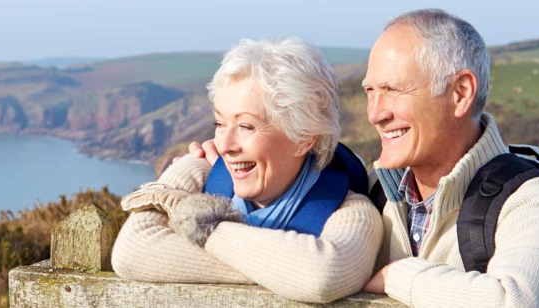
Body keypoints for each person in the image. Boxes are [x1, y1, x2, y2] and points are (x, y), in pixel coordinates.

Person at [111, 37, 383, 304]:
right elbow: (132, 252)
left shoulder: (351, 213)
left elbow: (322, 276)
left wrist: (203, 225)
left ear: (304, 138)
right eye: (220, 123)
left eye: (246, 126)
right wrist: (186, 167)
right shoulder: (203, 173)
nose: (225, 145)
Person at [358, 9, 539, 307]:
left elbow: (521, 302)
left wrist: (398, 276)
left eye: (392, 90)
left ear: (460, 93)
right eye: (370, 91)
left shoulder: (531, 199)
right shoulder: (374, 190)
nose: (375, 114)